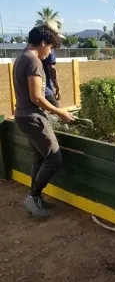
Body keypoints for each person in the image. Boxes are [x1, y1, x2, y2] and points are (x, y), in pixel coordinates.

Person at [13, 24, 74, 218]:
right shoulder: (33, 61)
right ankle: (33, 197)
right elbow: (36, 98)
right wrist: (60, 112)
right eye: (50, 47)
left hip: (23, 116)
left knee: (39, 158)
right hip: (33, 118)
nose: (50, 53)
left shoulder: (21, 57)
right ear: (42, 43)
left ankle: (35, 199)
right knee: (54, 158)